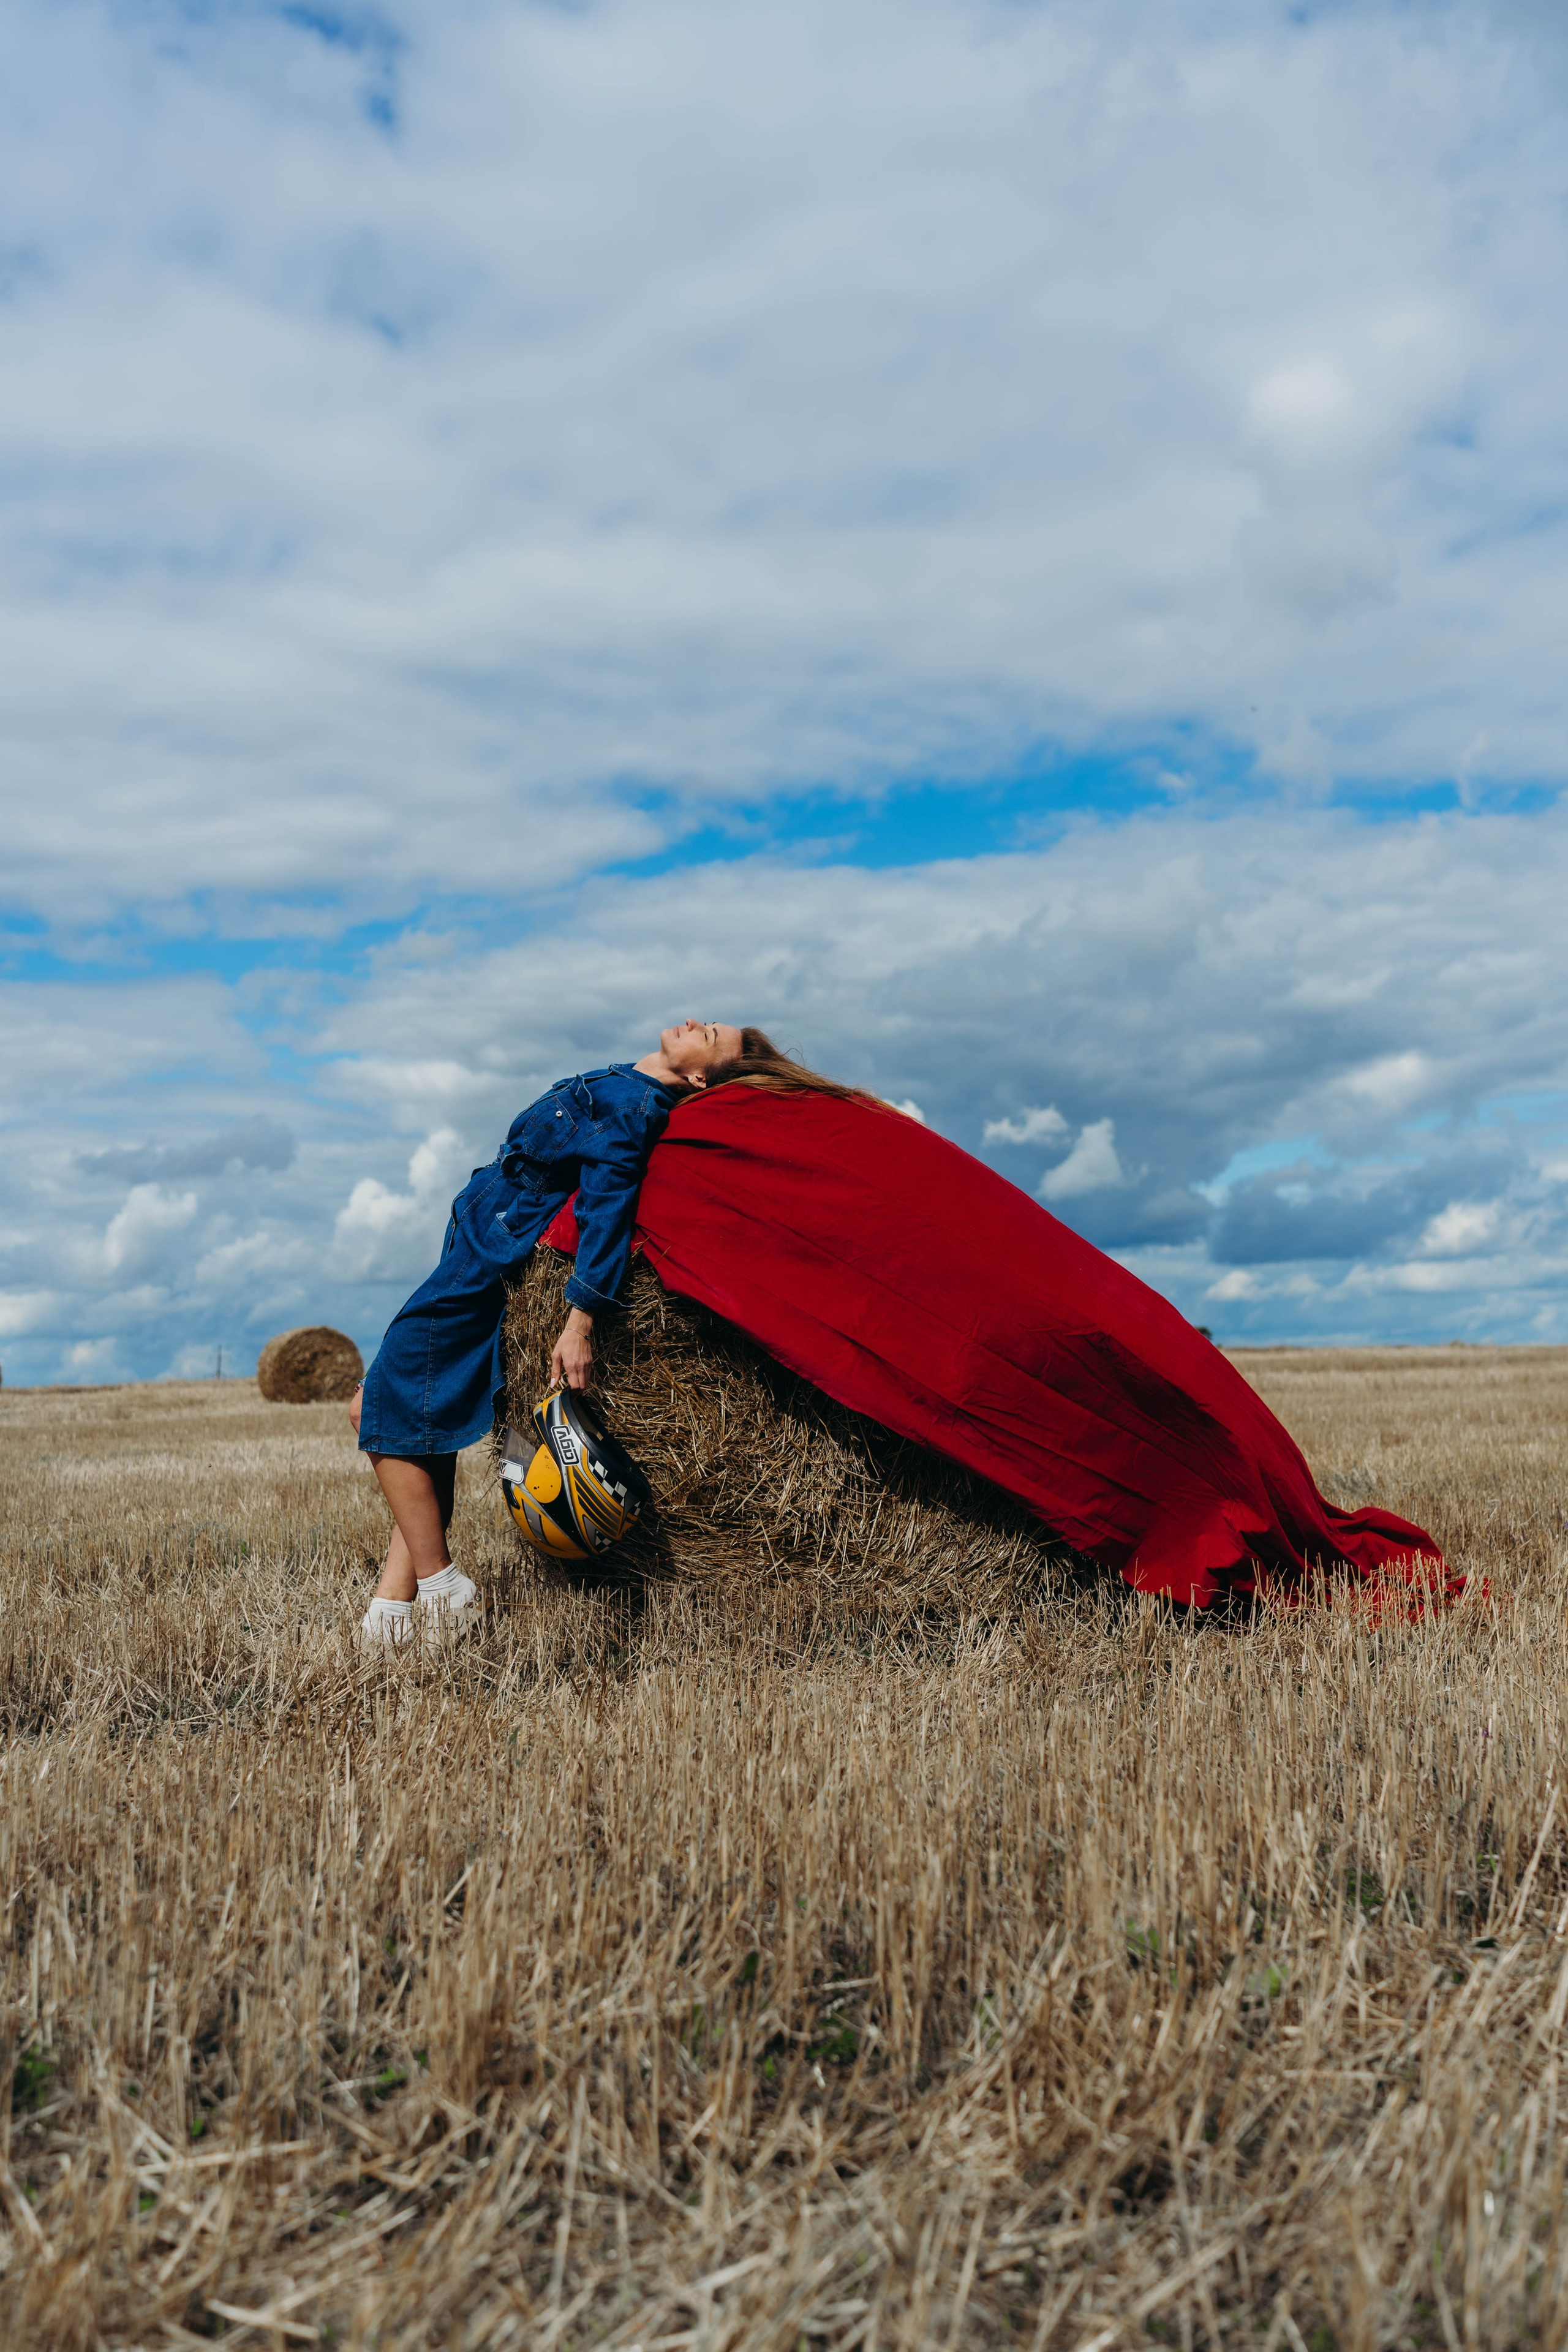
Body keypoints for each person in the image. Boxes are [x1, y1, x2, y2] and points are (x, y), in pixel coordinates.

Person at [351, 1019, 859, 1645]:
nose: (698, 1021)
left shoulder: (636, 1110)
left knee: (377, 1406)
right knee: (415, 1422)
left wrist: (580, 1319)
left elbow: (606, 1212)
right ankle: (394, 1611)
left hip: (498, 1247)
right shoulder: (624, 1079)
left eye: (712, 1036)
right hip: (478, 1228)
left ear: (700, 1076)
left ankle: (440, 1585)